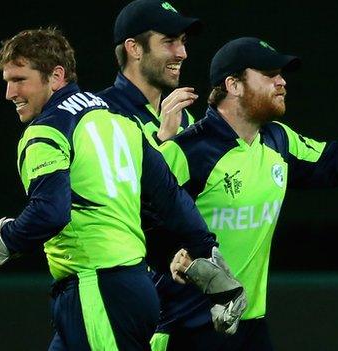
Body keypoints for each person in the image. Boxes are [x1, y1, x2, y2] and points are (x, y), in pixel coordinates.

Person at [0, 27, 244, 350]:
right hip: (132, 290)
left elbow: (50, 212)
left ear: (56, 76)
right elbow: (170, 197)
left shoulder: (47, 131)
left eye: (19, 79)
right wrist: (207, 253)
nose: (10, 92)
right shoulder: (118, 121)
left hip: (97, 289)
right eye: (7, 81)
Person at [154, 36, 338, 350]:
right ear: (233, 84)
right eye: (270, 74)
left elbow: (333, 163)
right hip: (188, 329)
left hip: (250, 326)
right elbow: (141, 219)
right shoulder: (188, 150)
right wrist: (171, 254)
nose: (282, 82)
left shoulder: (278, 140)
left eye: (281, 74)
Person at [96, 2, 219, 348]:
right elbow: (116, 207)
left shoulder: (185, 120)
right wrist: (163, 143)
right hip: (125, 305)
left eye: (182, 41)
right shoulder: (100, 116)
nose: (181, 52)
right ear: (134, 48)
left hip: (182, 308)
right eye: (169, 41)